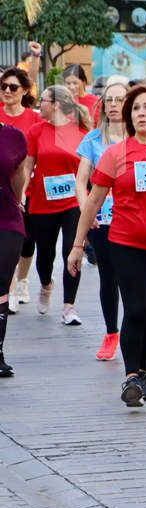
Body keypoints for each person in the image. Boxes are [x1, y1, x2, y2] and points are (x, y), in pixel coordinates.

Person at [67, 84, 146, 407]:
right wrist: (78, 245)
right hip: (125, 241)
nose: (140, 114)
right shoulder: (116, 153)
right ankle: (131, 375)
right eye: (135, 109)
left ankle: (145, 371)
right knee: (135, 307)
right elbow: (93, 201)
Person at [22, 85, 91, 324]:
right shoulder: (36, 131)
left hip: (73, 201)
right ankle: (45, 285)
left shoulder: (80, 132)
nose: (39, 104)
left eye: (42, 100)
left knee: (71, 251)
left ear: (56, 104)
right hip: (42, 202)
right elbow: (28, 165)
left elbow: (89, 169)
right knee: (45, 256)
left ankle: (69, 306)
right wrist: (22, 192)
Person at [73, 80, 128, 360]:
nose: (115, 105)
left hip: (133, 220)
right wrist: (87, 212)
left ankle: (134, 330)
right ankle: (111, 333)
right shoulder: (93, 140)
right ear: (103, 106)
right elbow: (81, 181)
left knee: (133, 277)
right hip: (102, 220)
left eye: (120, 100)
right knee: (109, 277)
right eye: (110, 100)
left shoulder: (141, 138)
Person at [1, 67, 41, 313]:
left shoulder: (33, 119)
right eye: (3, 86)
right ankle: (11, 286)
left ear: (24, 91)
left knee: (28, 242)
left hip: (31, 187)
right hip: (6, 191)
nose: (7, 91)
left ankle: (23, 280)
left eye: (13, 87)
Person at [0, 122, 28, 376]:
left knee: (0, 284)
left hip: (6, 219)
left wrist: (18, 201)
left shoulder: (13, 137)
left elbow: (19, 175)